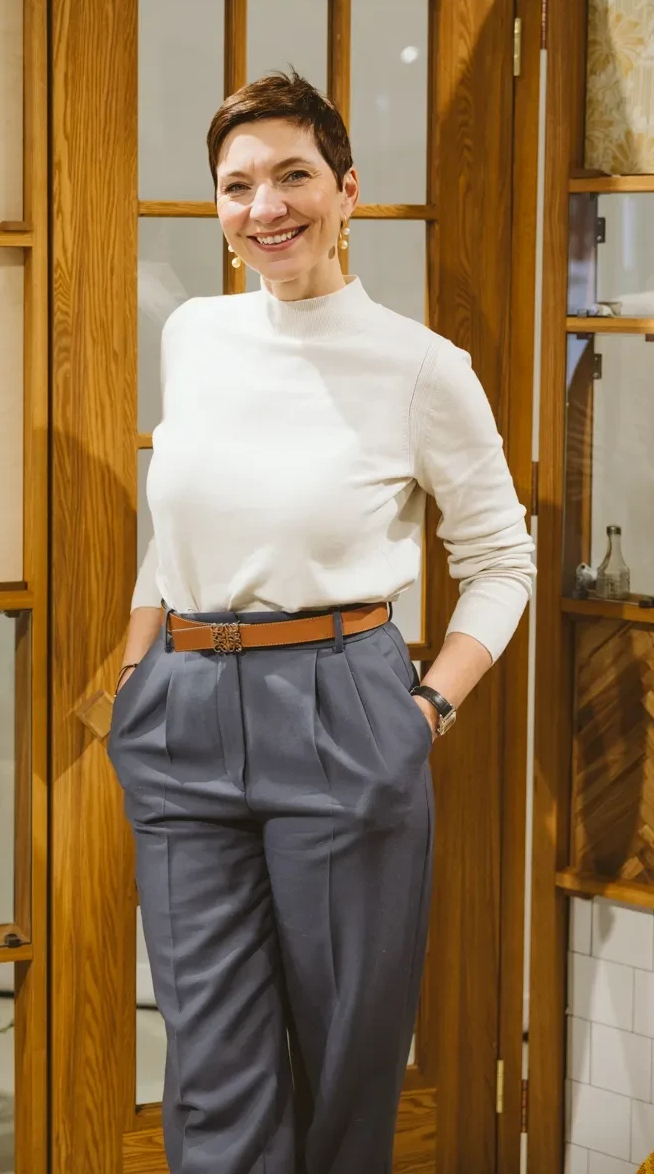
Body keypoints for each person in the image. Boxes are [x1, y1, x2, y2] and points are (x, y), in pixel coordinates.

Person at [106, 71, 536, 1174]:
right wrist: (134, 672)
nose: (265, 207)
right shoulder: (195, 335)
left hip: (345, 709)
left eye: (292, 175)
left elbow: (501, 561)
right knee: (211, 1069)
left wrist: (424, 710)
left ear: (347, 191)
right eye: (237, 185)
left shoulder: (421, 368)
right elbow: (178, 527)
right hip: (183, 715)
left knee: (345, 1061)